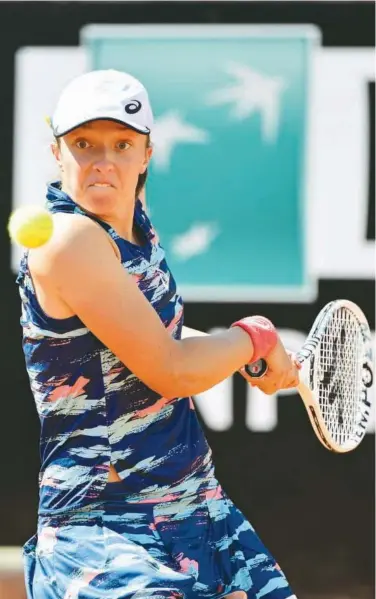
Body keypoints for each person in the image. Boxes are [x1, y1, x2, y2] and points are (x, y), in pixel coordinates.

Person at [18, 69, 300, 599]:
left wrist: (244, 357)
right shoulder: (67, 240)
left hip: (199, 508)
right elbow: (169, 368)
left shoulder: (136, 230)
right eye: (84, 144)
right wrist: (254, 336)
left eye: (122, 144)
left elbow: (155, 336)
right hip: (105, 530)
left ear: (146, 154)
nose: (103, 161)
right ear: (57, 151)